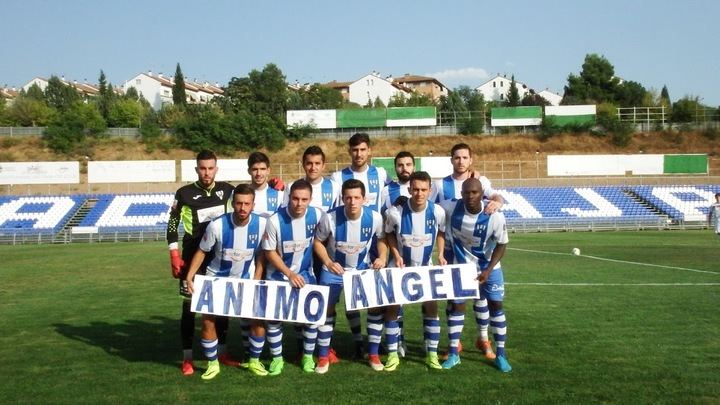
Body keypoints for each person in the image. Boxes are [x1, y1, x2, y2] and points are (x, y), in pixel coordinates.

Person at [185, 184, 268, 379]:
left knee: (258, 320)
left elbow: (262, 255)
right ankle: (212, 364)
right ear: (232, 203)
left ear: (253, 205)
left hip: (246, 280)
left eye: (247, 204)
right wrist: (190, 275)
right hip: (217, 279)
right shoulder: (217, 225)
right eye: (238, 203)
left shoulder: (262, 224)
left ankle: (254, 361)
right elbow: (202, 251)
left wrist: (256, 279)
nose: (242, 208)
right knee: (208, 321)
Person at [166, 150, 238, 376]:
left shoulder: (227, 190)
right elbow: (171, 224)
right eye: (202, 168)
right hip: (191, 258)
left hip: (218, 258)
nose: (207, 173)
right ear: (197, 169)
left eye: (210, 168)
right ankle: (187, 357)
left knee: (220, 307)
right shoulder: (184, 193)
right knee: (189, 309)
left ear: (216, 169)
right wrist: (174, 254)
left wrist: (278, 187)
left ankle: (222, 353)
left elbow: (250, 197)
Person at [432, 143, 503, 361]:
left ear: (470, 160)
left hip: (478, 250)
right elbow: (432, 210)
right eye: (457, 157)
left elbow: (496, 197)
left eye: (465, 157)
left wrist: (497, 202)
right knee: (454, 301)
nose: (461, 161)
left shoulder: (481, 181)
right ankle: (456, 343)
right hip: (454, 252)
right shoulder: (440, 185)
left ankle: (483, 338)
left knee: (480, 298)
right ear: (451, 160)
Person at [313, 179, 387, 373]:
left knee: (374, 307)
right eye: (348, 197)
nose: (352, 202)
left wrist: (383, 256)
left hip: (361, 270)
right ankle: (322, 357)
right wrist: (328, 262)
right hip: (333, 271)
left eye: (356, 197)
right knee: (326, 310)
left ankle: (373, 354)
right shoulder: (329, 218)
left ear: (364, 199)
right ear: (342, 198)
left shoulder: (375, 218)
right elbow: (318, 242)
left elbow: (381, 239)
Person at [440, 177, 511, 372]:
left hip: (489, 268)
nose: (470, 196)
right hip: (462, 267)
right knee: (457, 307)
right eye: (466, 192)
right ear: (461, 194)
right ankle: (454, 353)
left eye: (475, 192)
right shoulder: (450, 207)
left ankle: (501, 354)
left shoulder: (494, 215)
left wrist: (488, 270)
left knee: (496, 305)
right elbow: (427, 206)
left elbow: (502, 244)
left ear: (482, 194)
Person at [330, 133, 389, 358]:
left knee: (379, 297)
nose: (359, 154)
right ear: (350, 152)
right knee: (350, 295)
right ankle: (357, 342)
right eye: (355, 150)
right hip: (347, 239)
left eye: (363, 149)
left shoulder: (380, 173)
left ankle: (382, 341)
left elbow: (396, 189)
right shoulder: (338, 176)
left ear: (369, 151)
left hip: (375, 238)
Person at [384, 171, 447, 371]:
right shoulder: (395, 212)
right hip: (400, 267)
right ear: (409, 189)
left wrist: (441, 254)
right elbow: (388, 234)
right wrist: (396, 254)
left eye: (423, 189)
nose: (419, 193)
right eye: (415, 189)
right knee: (392, 309)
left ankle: (432, 354)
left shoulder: (437, 211)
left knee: (431, 308)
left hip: (425, 267)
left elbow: (442, 232)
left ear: (429, 191)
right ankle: (393, 355)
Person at [261, 179, 324, 375]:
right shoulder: (274, 220)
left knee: (311, 318)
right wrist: (289, 273)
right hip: (278, 276)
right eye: (295, 199)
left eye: (304, 199)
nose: (299, 203)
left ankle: (307, 357)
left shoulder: (317, 215)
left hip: (306, 275)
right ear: (289, 197)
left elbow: (322, 240)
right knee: (273, 319)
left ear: (310, 199)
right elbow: (269, 252)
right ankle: (277, 359)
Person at [378, 150, 416, 357]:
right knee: (393, 299)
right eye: (400, 165)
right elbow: (381, 219)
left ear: (414, 166)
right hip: (393, 253)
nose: (404, 168)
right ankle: (395, 340)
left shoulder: (422, 186)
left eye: (408, 164)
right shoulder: (386, 191)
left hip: (415, 253)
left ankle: (403, 340)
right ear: (395, 168)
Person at [247, 151, 284, 218]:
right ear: (249, 171)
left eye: (262, 169)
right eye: (255, 169)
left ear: (268, 171)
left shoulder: (280, 195)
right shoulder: (240, 195)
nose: (259, 173)